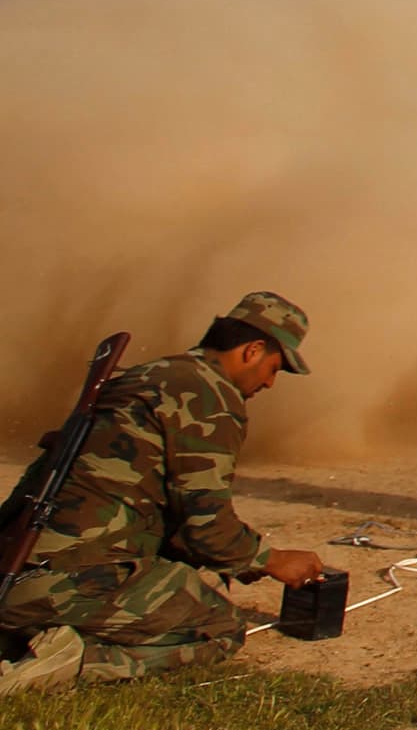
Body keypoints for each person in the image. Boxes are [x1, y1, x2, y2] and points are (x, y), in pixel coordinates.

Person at [0, 293, 330, 693]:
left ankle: (23, 632)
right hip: (68, 582)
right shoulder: (210, 398)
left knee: (175, 581)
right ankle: (75, 660)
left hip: (14, 569)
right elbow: (206, 528)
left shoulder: (144, 376)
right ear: (253, 351)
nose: (269, 383)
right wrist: (271, 559)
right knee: (220, 627)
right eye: (273, 369)